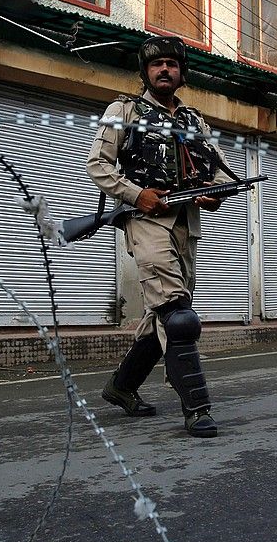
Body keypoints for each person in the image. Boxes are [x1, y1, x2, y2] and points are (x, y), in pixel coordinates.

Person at [86, 35, 229, 438]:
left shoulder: (194, 121)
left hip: (186, 225)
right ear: (145, 72)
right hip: (146, 220)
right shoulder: (124, 109)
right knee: (178, 315)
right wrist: (137, 194)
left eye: (171, 63)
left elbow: (218, 170)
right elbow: (98, 164)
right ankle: (197, 409)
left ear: (182, 72)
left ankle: (122, 386)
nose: (163, 69)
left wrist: (212, 193)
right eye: (155, 65)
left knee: (162, 315)